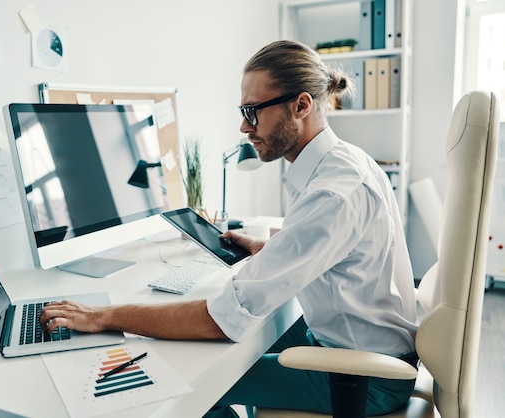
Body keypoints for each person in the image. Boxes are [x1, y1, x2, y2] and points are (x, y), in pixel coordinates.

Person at [39, 39, 418, 417]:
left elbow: (222, 318)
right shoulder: (343, 162)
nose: (243, 126)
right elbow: (329, 253)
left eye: (253, 111)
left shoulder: (332, 194)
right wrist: (268, 248)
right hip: (352, 345)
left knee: (190, 380)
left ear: (301, 105)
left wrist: (104, 315)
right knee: (208, 352)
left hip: (363, 378)